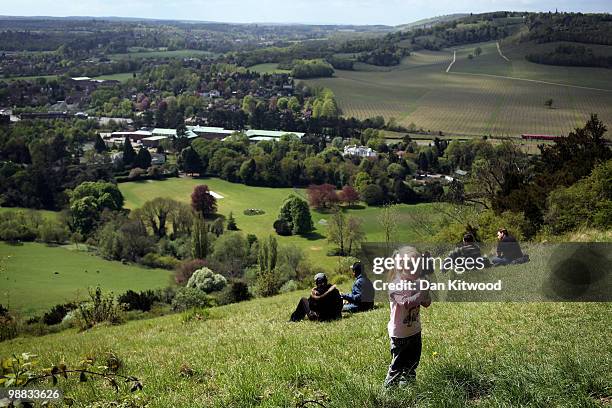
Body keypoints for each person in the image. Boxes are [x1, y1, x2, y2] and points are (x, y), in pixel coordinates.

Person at [384, 246, 431, 388]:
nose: (418, 271)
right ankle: (389, 391)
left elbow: (427, 303)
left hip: (415, 330)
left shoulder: (416, 282)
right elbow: (406, 303)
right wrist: (420, 293)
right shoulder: (395, 285)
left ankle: (409, 387)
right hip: (400, 335)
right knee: (398, 365)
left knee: (413, 362)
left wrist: (426, 292)